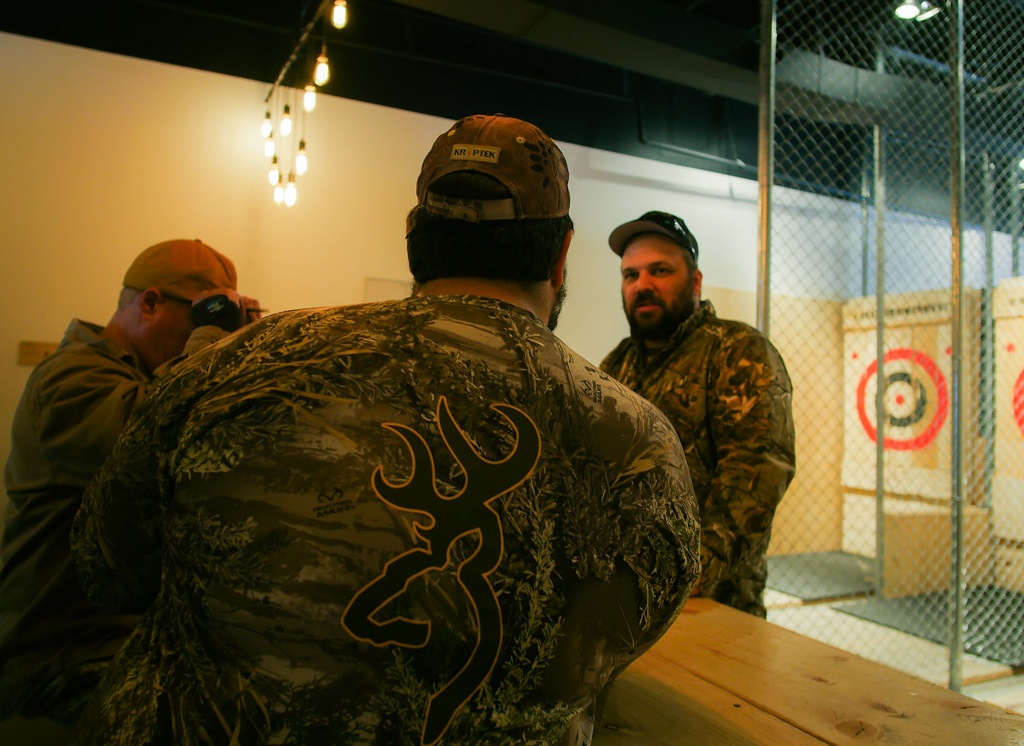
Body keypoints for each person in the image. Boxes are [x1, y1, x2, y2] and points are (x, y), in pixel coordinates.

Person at [70, 115, 701, 746]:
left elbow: (105, 571)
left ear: (412, 238)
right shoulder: (637, 438)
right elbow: (619, 640)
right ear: (561, 255)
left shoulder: (235, 363)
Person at [0, 239, 259, 732]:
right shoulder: (69, 378)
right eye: (206, 315)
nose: (213, 334)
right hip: (59, 664)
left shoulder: (148, 374)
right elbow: (154, 436)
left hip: (122, 645)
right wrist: (212, 344)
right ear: (150, 303)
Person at [601, 211, 795, 618]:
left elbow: (756, 476)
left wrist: (685, 579)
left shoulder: (738, 351)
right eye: (630, 275)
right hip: (623, 599)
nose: (643, 285)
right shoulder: (616, 365)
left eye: (660, 270)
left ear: (695, 281)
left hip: (711, 605)